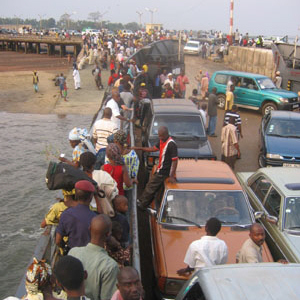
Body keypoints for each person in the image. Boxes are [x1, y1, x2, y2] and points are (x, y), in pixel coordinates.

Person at [69, 214, 119, 300]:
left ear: (89, 229)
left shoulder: (73, 252)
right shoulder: (110, 266)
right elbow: (108, 297)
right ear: (108, 235)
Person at [132, 126, 178, 210]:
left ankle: (142, 204)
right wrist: (139, 148)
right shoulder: (161, 141)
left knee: (150, 186)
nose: (160, 138)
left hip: (164, 171)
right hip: (160, 168)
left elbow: (175, 161)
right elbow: (153, 149)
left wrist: (171, 176)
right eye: (159, 136)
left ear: (166, 134)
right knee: (157, 189)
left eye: (161, 136)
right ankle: (150, 204)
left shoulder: (171, 144)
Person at [56, 180, 97, 250]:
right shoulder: (95, 218)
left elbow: (58, 241)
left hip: (72, 254)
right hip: (90, 255)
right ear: (91, 197)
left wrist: (65, 248)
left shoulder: (66, 214)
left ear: (76, 196)